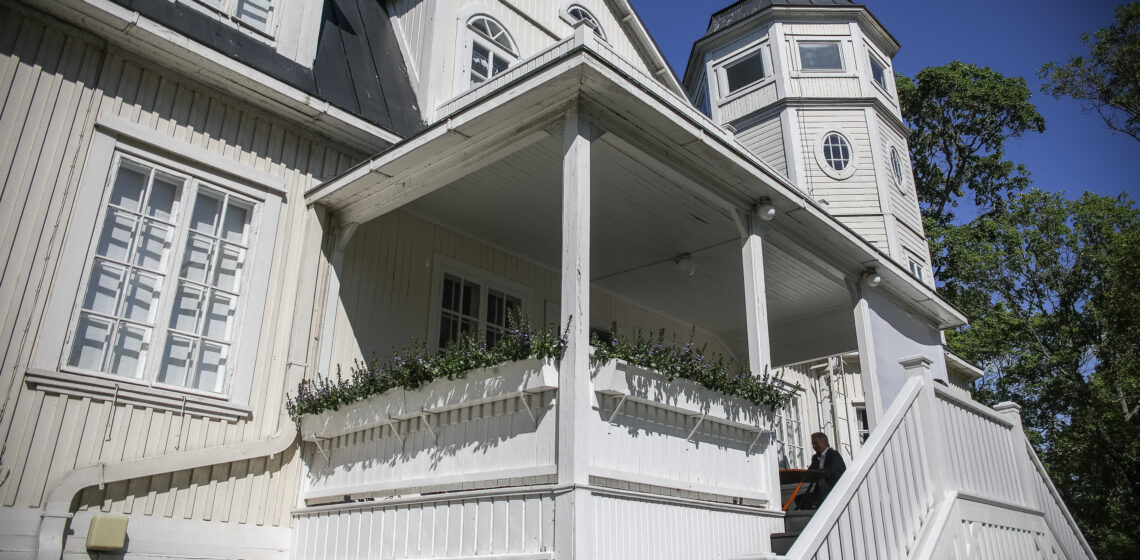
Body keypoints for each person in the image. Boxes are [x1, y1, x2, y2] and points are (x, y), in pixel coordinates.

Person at [794, 432, 847, 509]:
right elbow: (810, 472)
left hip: (835, 490)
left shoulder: (834, 455)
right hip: (821, 492)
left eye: (816, 443)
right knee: (799, 499)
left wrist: (817, 472)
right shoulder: (815, 458)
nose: (814, 446)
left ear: (824, 442)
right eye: (813, 444)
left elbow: (829, 471)